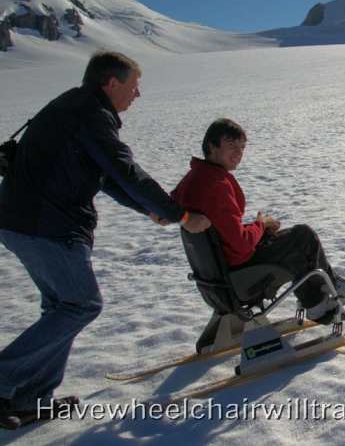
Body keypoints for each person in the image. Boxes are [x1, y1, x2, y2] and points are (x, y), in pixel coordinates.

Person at [0, 51, 211, 430]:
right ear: (110, 83)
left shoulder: (77, 107)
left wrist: (149, 210)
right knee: (80, 304)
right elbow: (126, 170)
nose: (137, 94)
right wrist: (180, 214)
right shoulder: (90, 115)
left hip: (25, 220)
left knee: (61, 306)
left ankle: (29, 399)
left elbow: (108, 177)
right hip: (44, 225)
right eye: (133, 86)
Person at [170, 118, 345, 325]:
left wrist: (261, 229)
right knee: (302, 237)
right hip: (238, 279)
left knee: (285, 242)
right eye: (231, 145)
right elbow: (241, 244)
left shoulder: (194, 178)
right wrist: (260, 224)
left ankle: (319, 298)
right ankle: (323, 298)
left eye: (242, 147)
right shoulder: (216, 185)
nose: (238, 153)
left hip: (216, 280)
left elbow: (217, 229)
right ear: (211, 146)